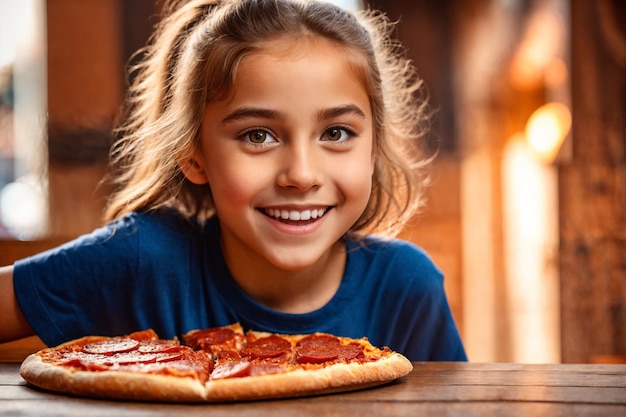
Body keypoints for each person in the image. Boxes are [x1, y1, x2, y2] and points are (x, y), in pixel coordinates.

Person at [0, 0, 466, 361]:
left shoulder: (406, 286)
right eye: (258, 135)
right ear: (194, 154)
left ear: (373, 149)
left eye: (336, 133)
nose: (301, 175)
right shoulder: (144, 259)